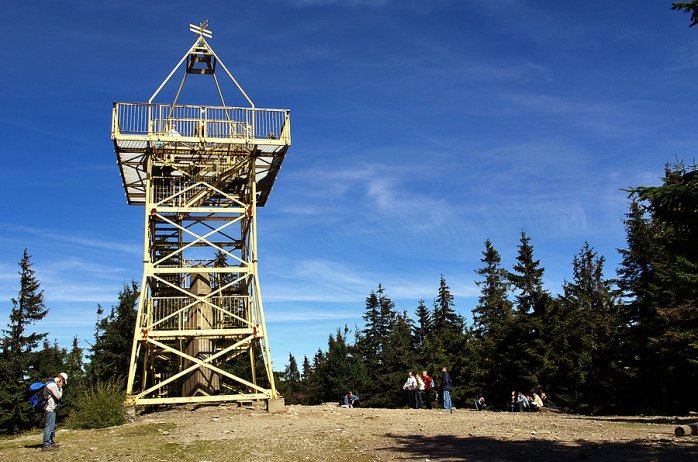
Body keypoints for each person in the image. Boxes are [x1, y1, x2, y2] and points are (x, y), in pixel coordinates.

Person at [43, 372, 67, 451]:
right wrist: (60, 387)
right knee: (49, 427)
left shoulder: (50, 383)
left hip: (51, 408)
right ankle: (46, 445)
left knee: (52, 427)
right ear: (61, 379)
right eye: (63, 381)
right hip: (50, 409)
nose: (63, 383)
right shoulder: (53, 385)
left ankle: (50, 442)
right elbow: (58, 396)